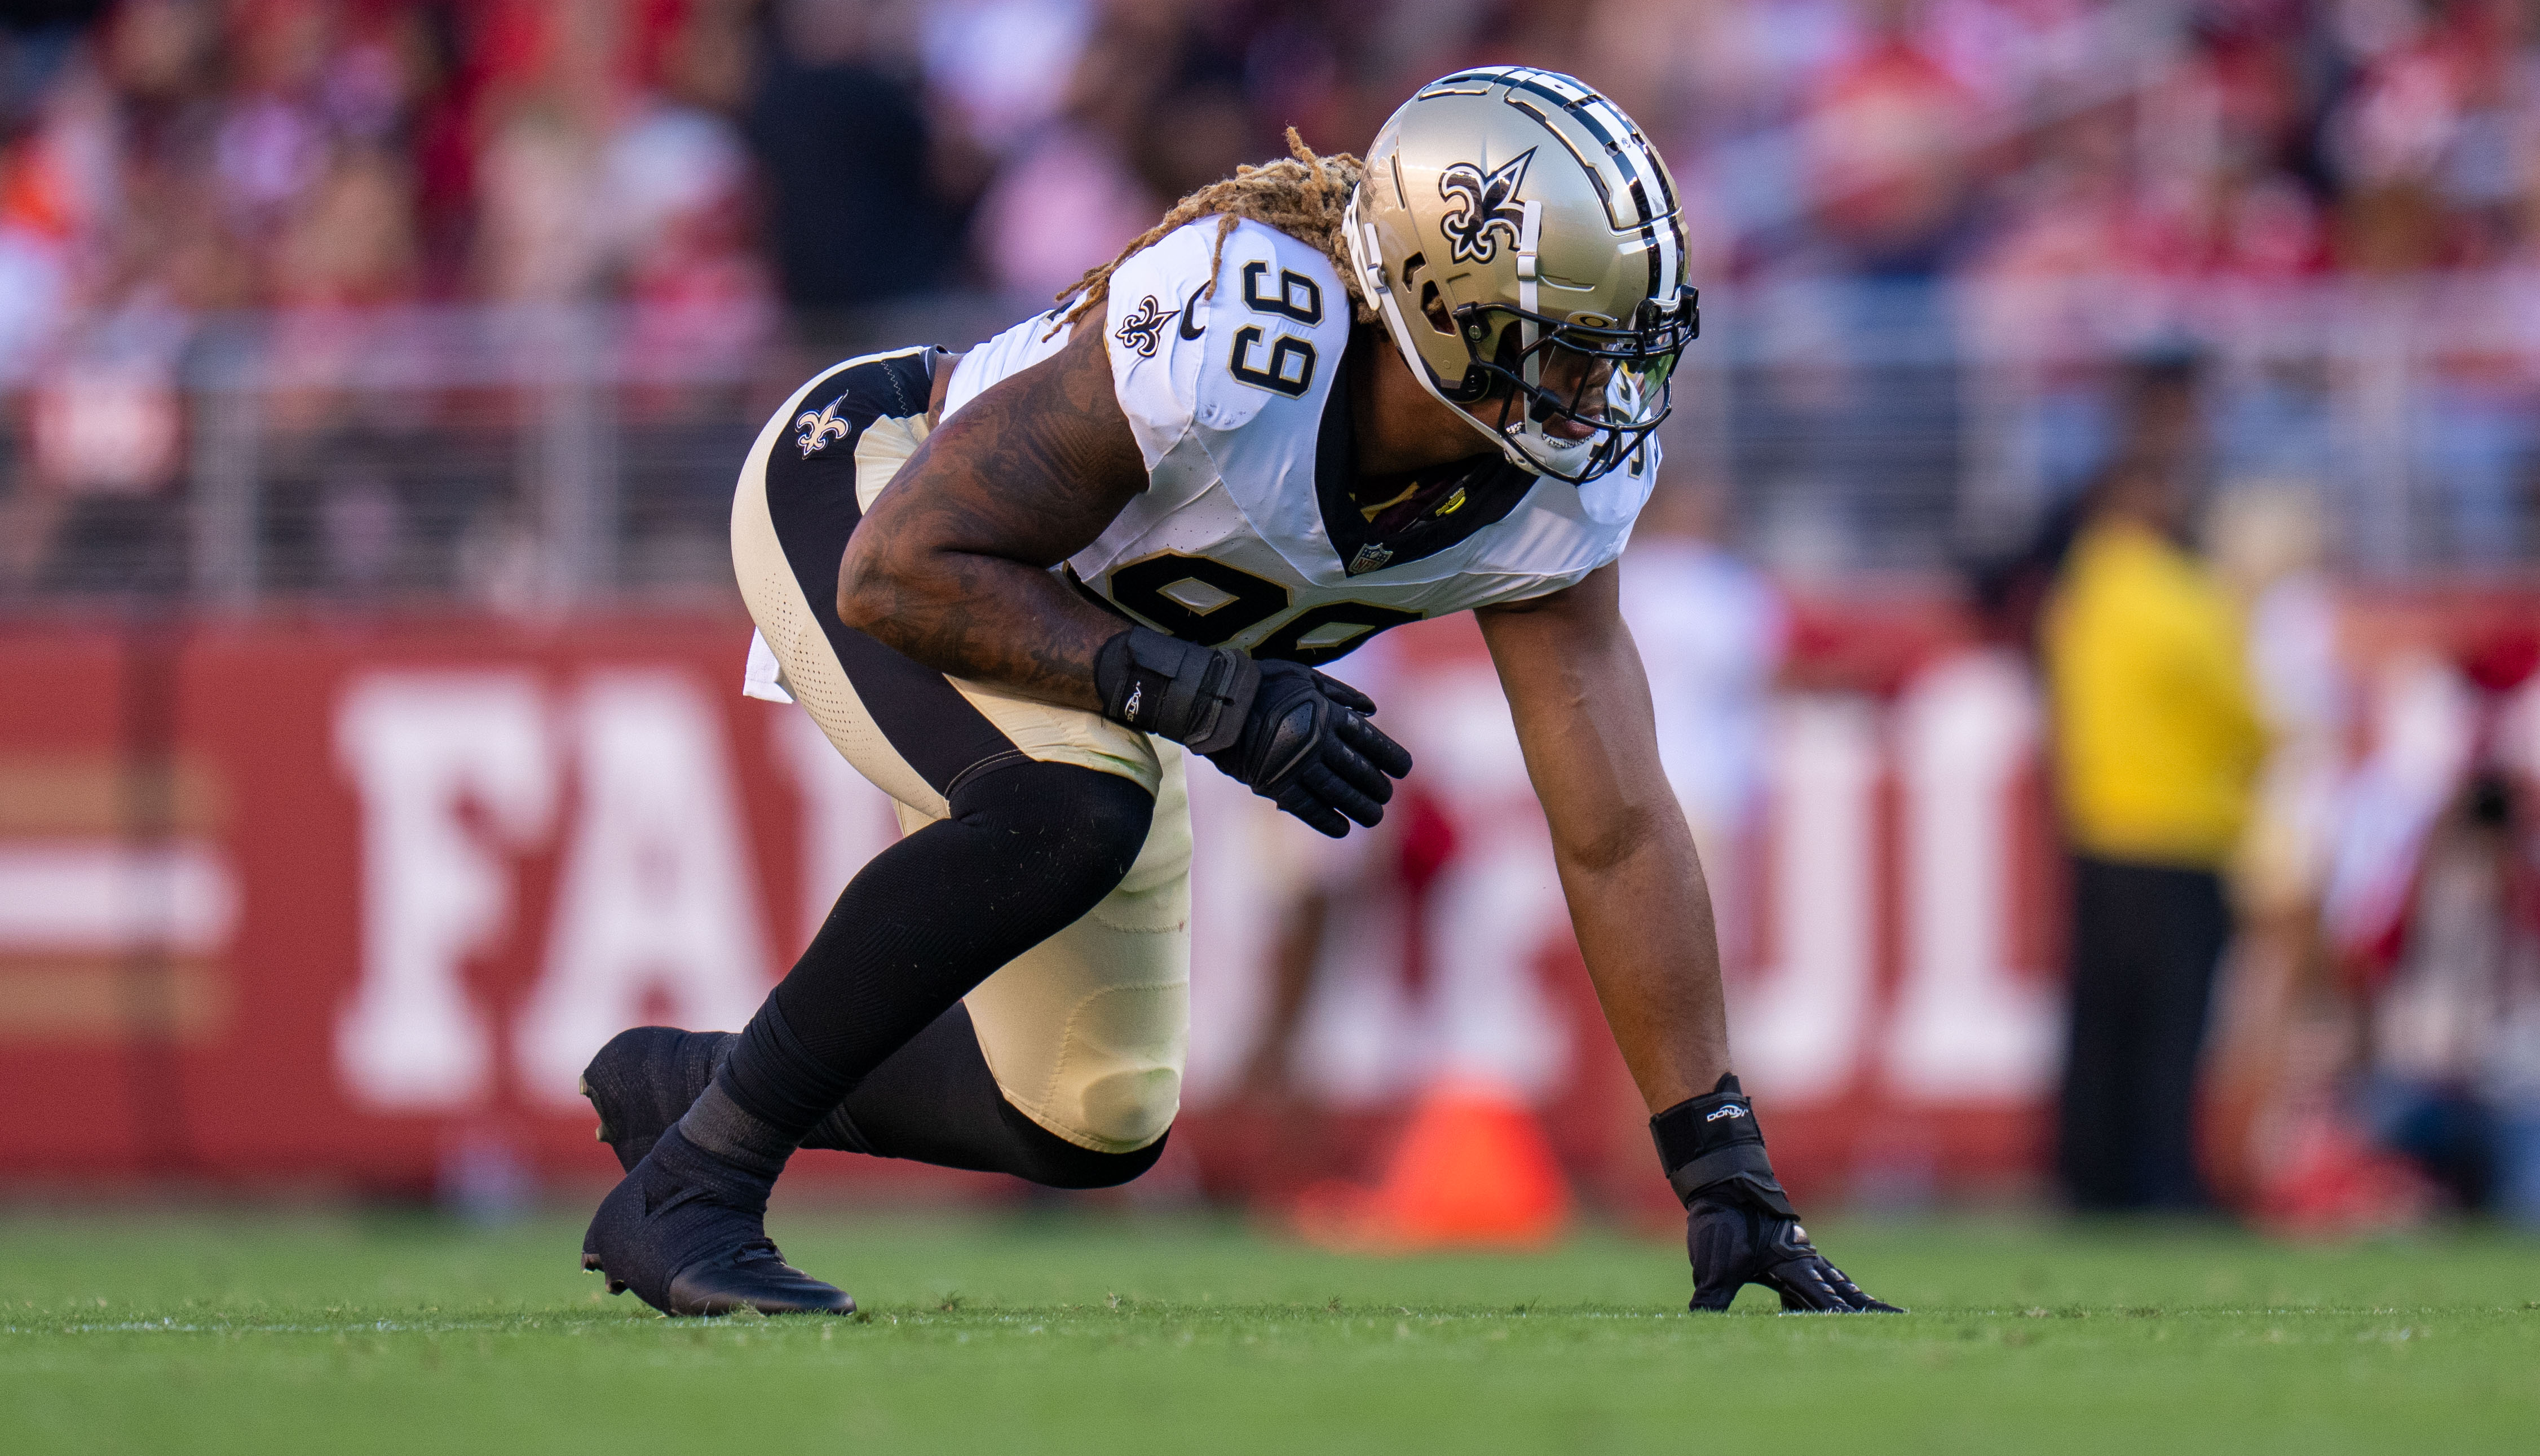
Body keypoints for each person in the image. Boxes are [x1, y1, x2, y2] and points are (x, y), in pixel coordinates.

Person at [572, 67, 1897, 1317]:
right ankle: (699, 1185)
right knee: (1077, 801)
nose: (1600, 392)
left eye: (1619, 349)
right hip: (863, 493)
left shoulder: (1556, 490)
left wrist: (1719, 1159)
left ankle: (700, 1093)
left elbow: (1614, 827)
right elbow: (902, 573)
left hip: (1074, 638)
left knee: (1088, 1117)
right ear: (1439, 301)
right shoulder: (1248, 329)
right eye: (1563, 346)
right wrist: (1219, 701)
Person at [2043, 445, 2269, 1211]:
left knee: (2100, 1017)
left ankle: (2088, 1175)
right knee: (2171, 1024)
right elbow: (2233, 705)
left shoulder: (2081, 590)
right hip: (2179, 825)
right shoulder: (2178, 594)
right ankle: (2161, 1176)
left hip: (2101, 820)